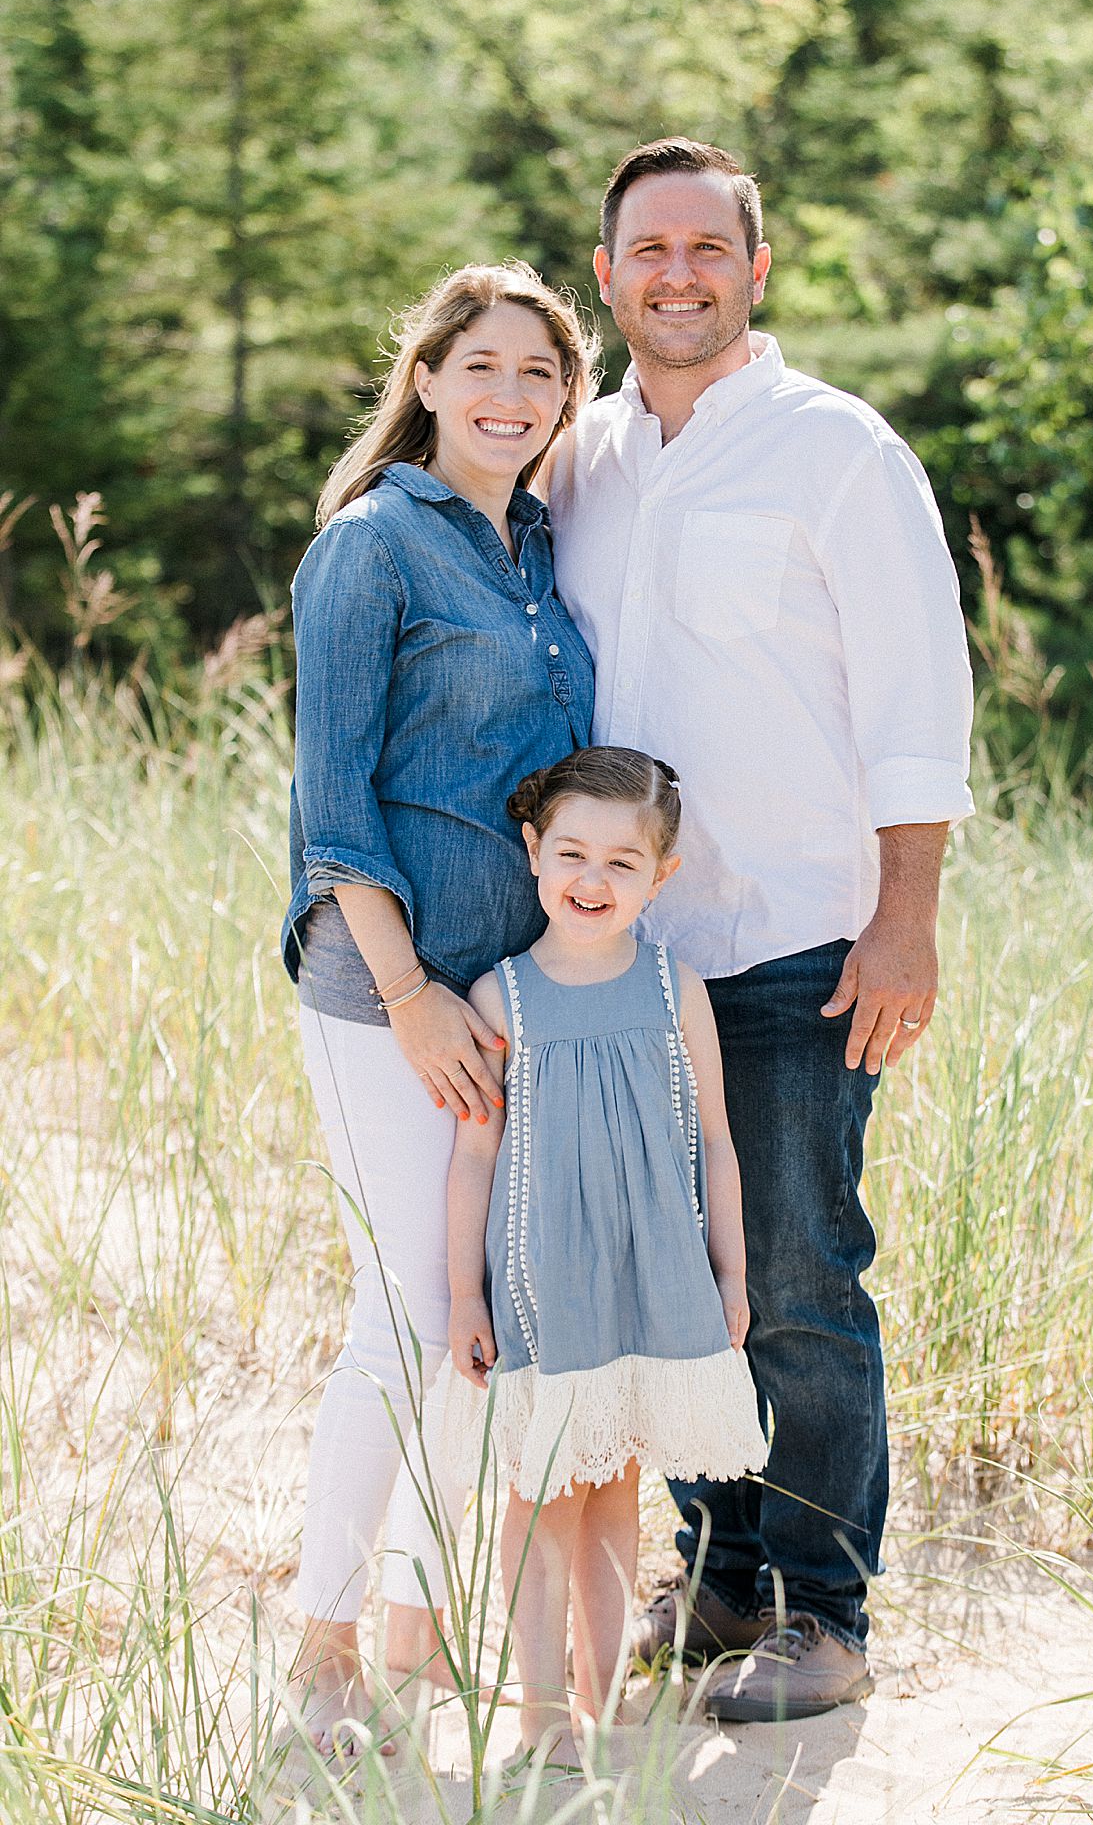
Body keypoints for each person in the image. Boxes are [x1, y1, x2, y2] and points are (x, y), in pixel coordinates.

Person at [544, 138, 975, 1721]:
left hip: (799, 937)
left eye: (706, 248)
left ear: (756, 269)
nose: (676, 274)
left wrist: (907, 920)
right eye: (645, 250)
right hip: (632, 954)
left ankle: (824, 1616)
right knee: (683, 1278)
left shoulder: (839, 451)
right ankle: (720, 1581)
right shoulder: (578, 460)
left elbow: (921, 697)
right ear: (608, 275)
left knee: (797, 1271)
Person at [279, 262, 598, 1754]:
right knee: (408, 1316)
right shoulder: (370, 550)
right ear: (426, 378)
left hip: (517, 998)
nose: (510, 396)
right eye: (483, 365)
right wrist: (410, 997)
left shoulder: (537, 548)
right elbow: (334, 814)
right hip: (386, 995)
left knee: (478, 1326)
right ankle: (323, 1646)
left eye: (540, 373)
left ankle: (415, 1643)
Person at [439, 746, 768, 1767]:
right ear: (534, 854)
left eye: (622, 863)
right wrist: (464, 1293)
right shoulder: (502, 1000)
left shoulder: (675, 989)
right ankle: (538, 1720)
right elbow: (473, 1158)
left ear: (659, 877)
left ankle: (600, 1705)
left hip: (647, 1280)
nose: (592, 879)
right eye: (572, 853)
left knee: (617, 1492)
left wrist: (730, 1275)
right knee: (540, 1499)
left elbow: (713, 1137)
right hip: (546, 1286)